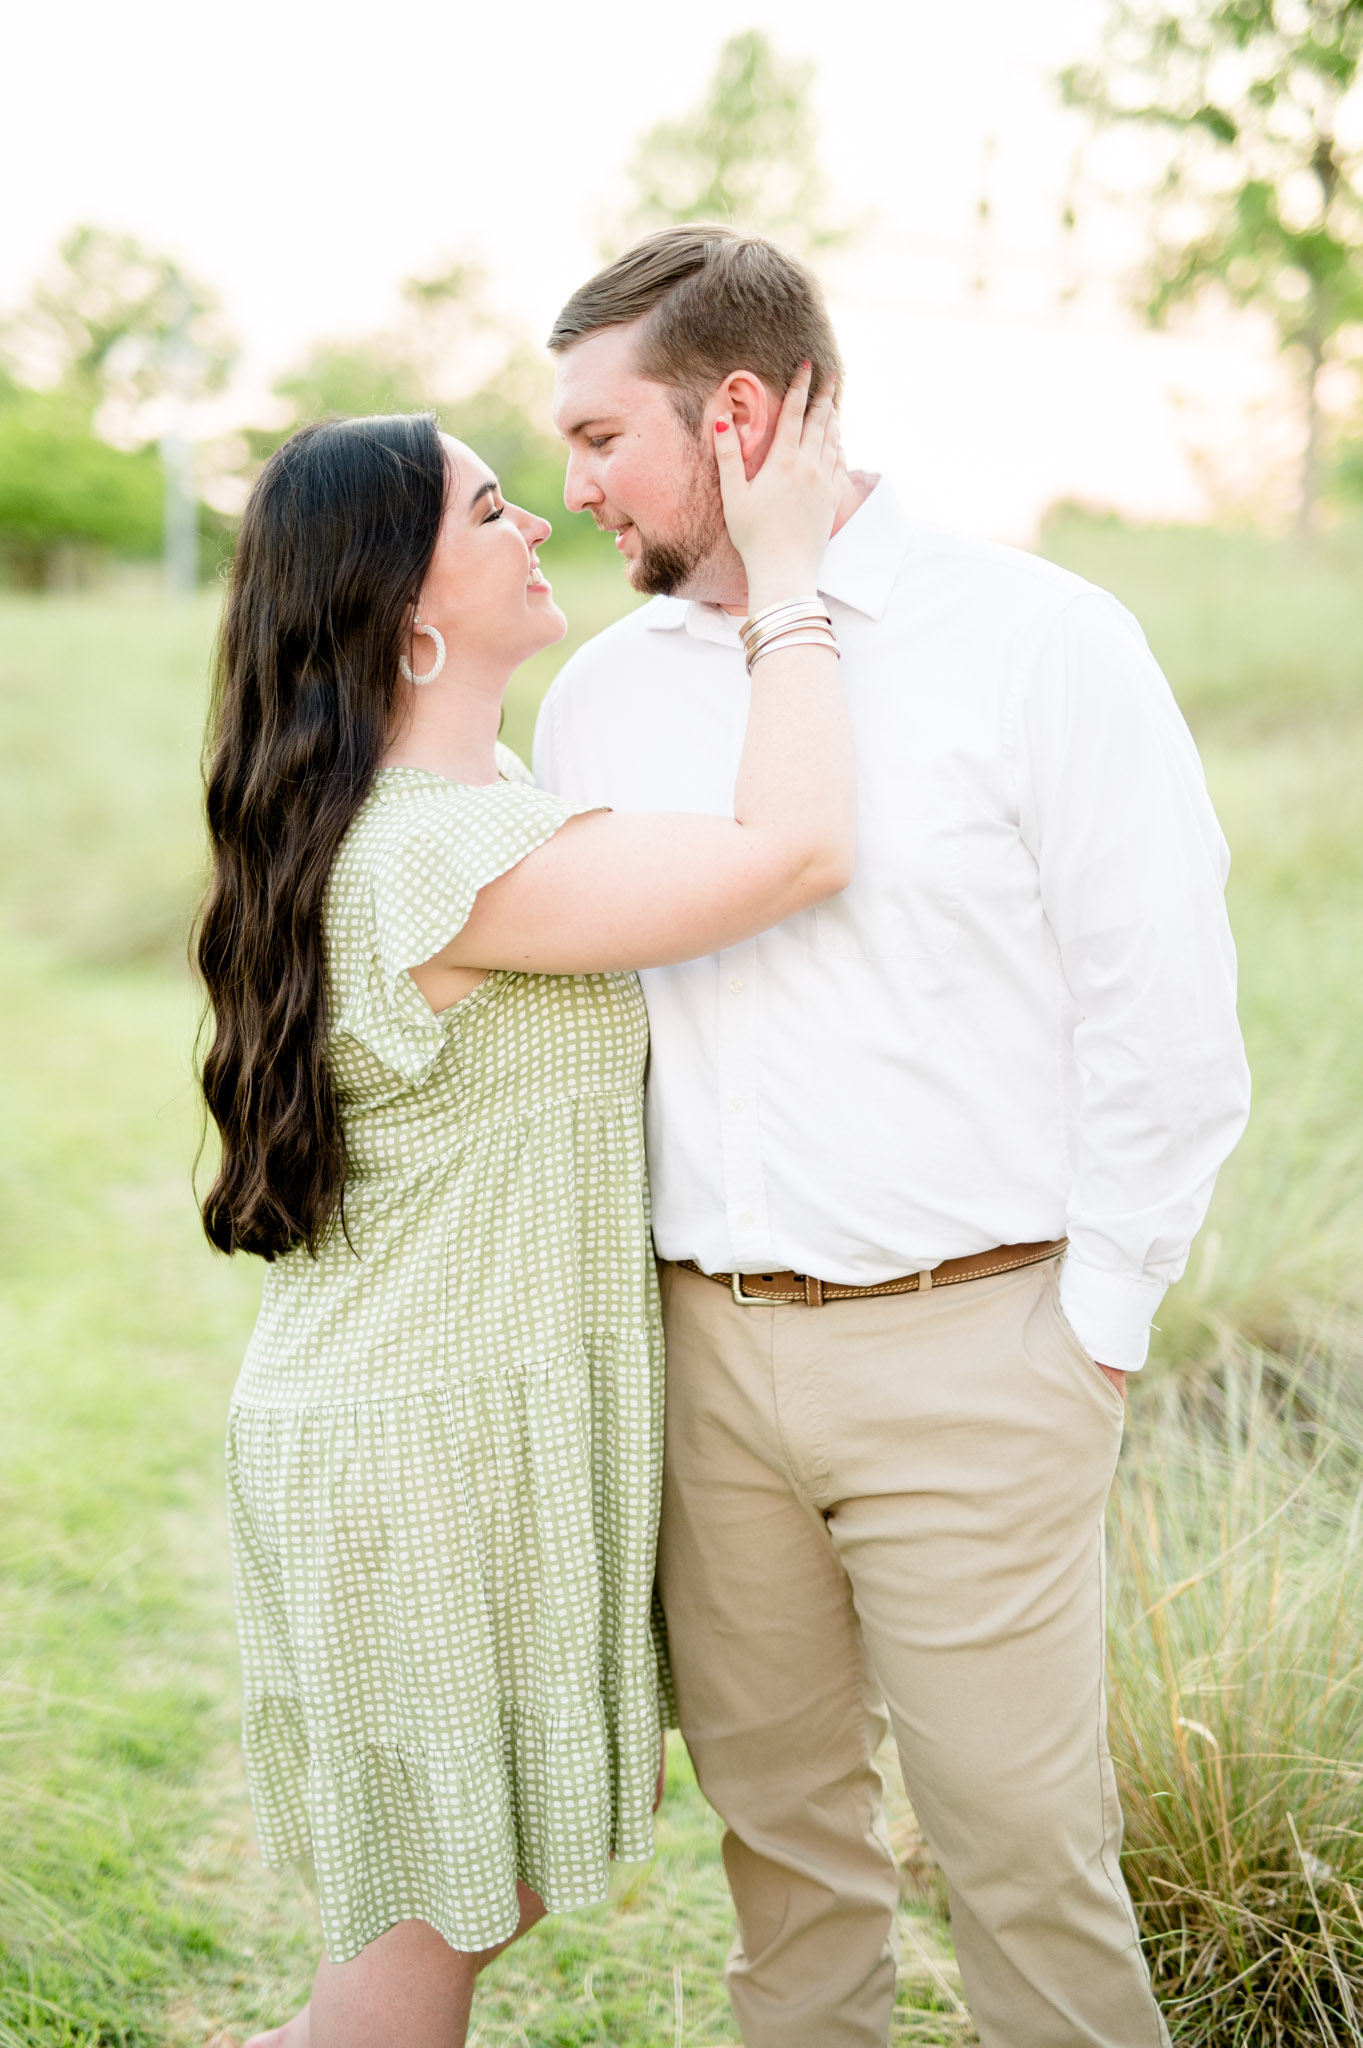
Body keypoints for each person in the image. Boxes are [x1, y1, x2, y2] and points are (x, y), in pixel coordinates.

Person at [534, 224, 1251, 2048]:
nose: (575, 485)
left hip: (978, 1349)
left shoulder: (1045, 643)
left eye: (606, 436)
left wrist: (1090, 1328)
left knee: (1024, 1855)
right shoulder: (606, 695)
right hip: (709, 1357)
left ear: (744, 414)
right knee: (784, 1862)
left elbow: (1163, 1016)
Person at [195, 375, 851, 2048]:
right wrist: (789, 583)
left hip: (454, 1419)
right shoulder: (436, 858)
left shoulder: (470, 803)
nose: (540, 516)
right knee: (414, 1972)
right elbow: (794, 852)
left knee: (472, 1907)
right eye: (490, 510)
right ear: (403, 610)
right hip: (422, 1446)